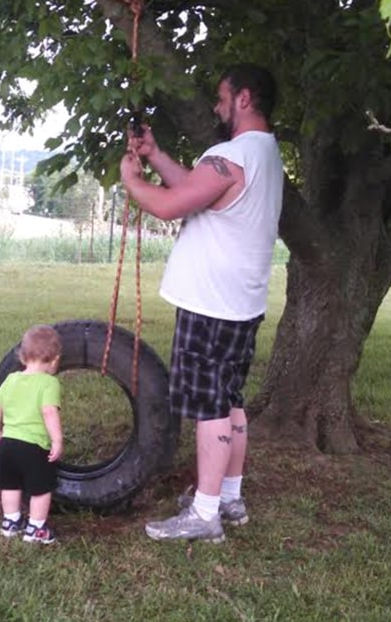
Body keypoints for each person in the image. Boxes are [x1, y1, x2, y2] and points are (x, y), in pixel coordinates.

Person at [120, 63, 284, 543]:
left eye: (221, 97)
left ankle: (205, 515)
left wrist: (132, 180)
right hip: (240, 301)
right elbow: (197, 188)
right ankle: (229, 497)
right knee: (230, 401)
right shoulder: (264, 154)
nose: (217, 106)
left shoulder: (232, 155)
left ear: (244, 98)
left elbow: (171, 204)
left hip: (210, 303)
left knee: (210, 407)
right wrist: (156, 155)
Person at [0, 324, 63, 544]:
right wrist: (57, 440)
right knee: (41, 488)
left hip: (8, 445)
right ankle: (36, 529)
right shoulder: (49, 383)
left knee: (10, 484)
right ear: (55, 359)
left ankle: (11, 522)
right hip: (34, 446)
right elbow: (49, 412)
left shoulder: (11, 379)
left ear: (22, 356)